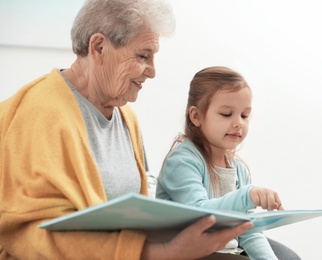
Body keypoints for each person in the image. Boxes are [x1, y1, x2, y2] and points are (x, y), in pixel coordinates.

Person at [0, 1, 254, 259]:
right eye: (143, 56)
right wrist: (160, 253)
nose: (153, 72)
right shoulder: (39, 113)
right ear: (98, 47)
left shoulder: (125, 117)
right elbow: (29, 233)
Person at [156, 66, 301, 259]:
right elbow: (201, 215)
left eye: (244, 115)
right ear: (196, 116)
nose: (238, 123)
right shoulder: (182, 162)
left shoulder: (238, 169)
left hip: (224, 251)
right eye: (226, 114)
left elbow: (247, 229)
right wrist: (247, 196)